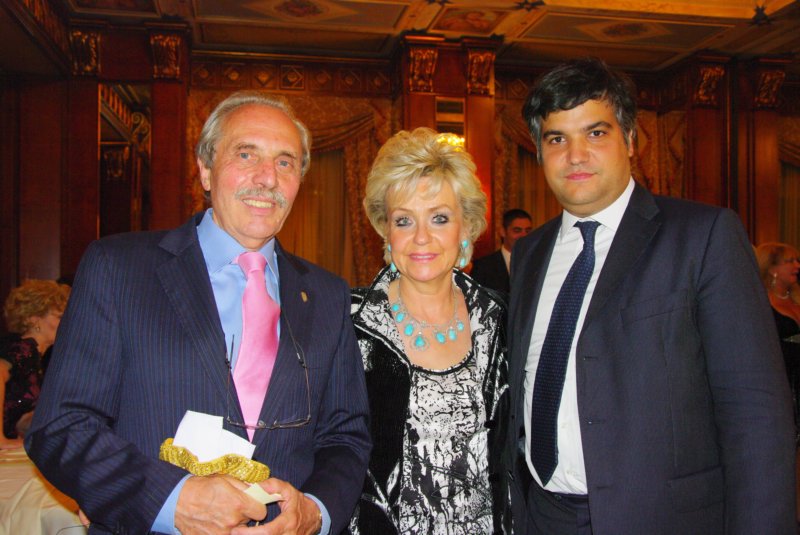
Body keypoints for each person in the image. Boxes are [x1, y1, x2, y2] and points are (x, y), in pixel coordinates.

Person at [25, 91, 371, 535]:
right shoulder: (119, 268)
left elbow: (345, 436)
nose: (267, 177)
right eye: (246, 154)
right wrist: (170, 501)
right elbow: (61, 425)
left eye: (285, 162)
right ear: (205, 169)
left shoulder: (327, 295)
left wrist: (315, 512)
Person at [504, 57, 795, 535]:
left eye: (595, 133)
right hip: (543, 515)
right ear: (539, 152)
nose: (575, 155)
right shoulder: (530, 252)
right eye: (557, 139)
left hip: (662, 517)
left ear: (631, 141)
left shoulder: (703, 236)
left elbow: (755, 411)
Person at [349, 127, 510, 534]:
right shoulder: (350, 324)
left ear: (466, 228)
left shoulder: (500, 319)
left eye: (439, 218)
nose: (421, 237)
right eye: (404, 220)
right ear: (387, 232)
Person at [1, 279, 70, 449]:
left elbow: (16, 417)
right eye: (60, 317)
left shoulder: (36, 358)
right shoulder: (24, 349)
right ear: (34, 319)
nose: (68, 323)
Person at [756, 242, 800, 432]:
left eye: (797, 260)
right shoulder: (760, 302)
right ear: (772, 269)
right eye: (790, 261)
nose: (797, 265)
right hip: (781, 375)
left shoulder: (797, 297)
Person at [470, 208, 533, 294]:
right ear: (503, 232)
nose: (524, 235)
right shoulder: (483, 266)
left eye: (528, 231)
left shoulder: (538, 262)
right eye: (517, 231)